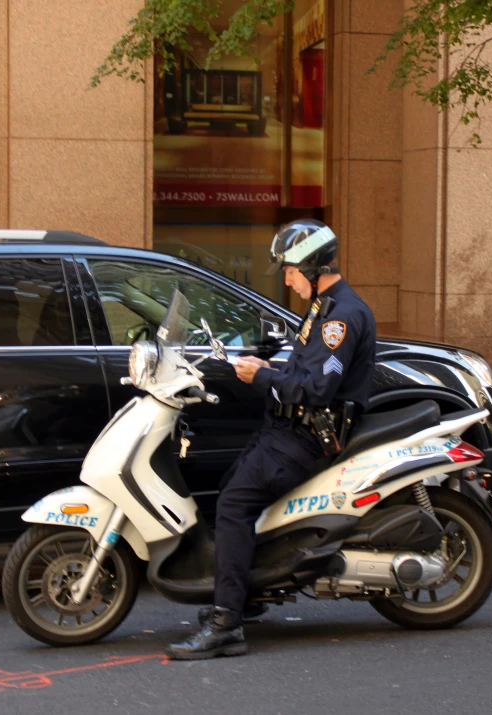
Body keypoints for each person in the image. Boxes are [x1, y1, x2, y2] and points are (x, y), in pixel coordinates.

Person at [166, 219, 377, 660]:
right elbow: (301, 371)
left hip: (307, 437)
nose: (286, 278)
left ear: (312, 267)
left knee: (234, 503)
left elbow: (316, 389)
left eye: (289, 269)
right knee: (229, 490)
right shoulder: (323, 307)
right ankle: (244, 596)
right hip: (287, 428)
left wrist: (261, 377)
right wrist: (261, 363)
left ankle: (227, 624)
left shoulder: (341, 316)